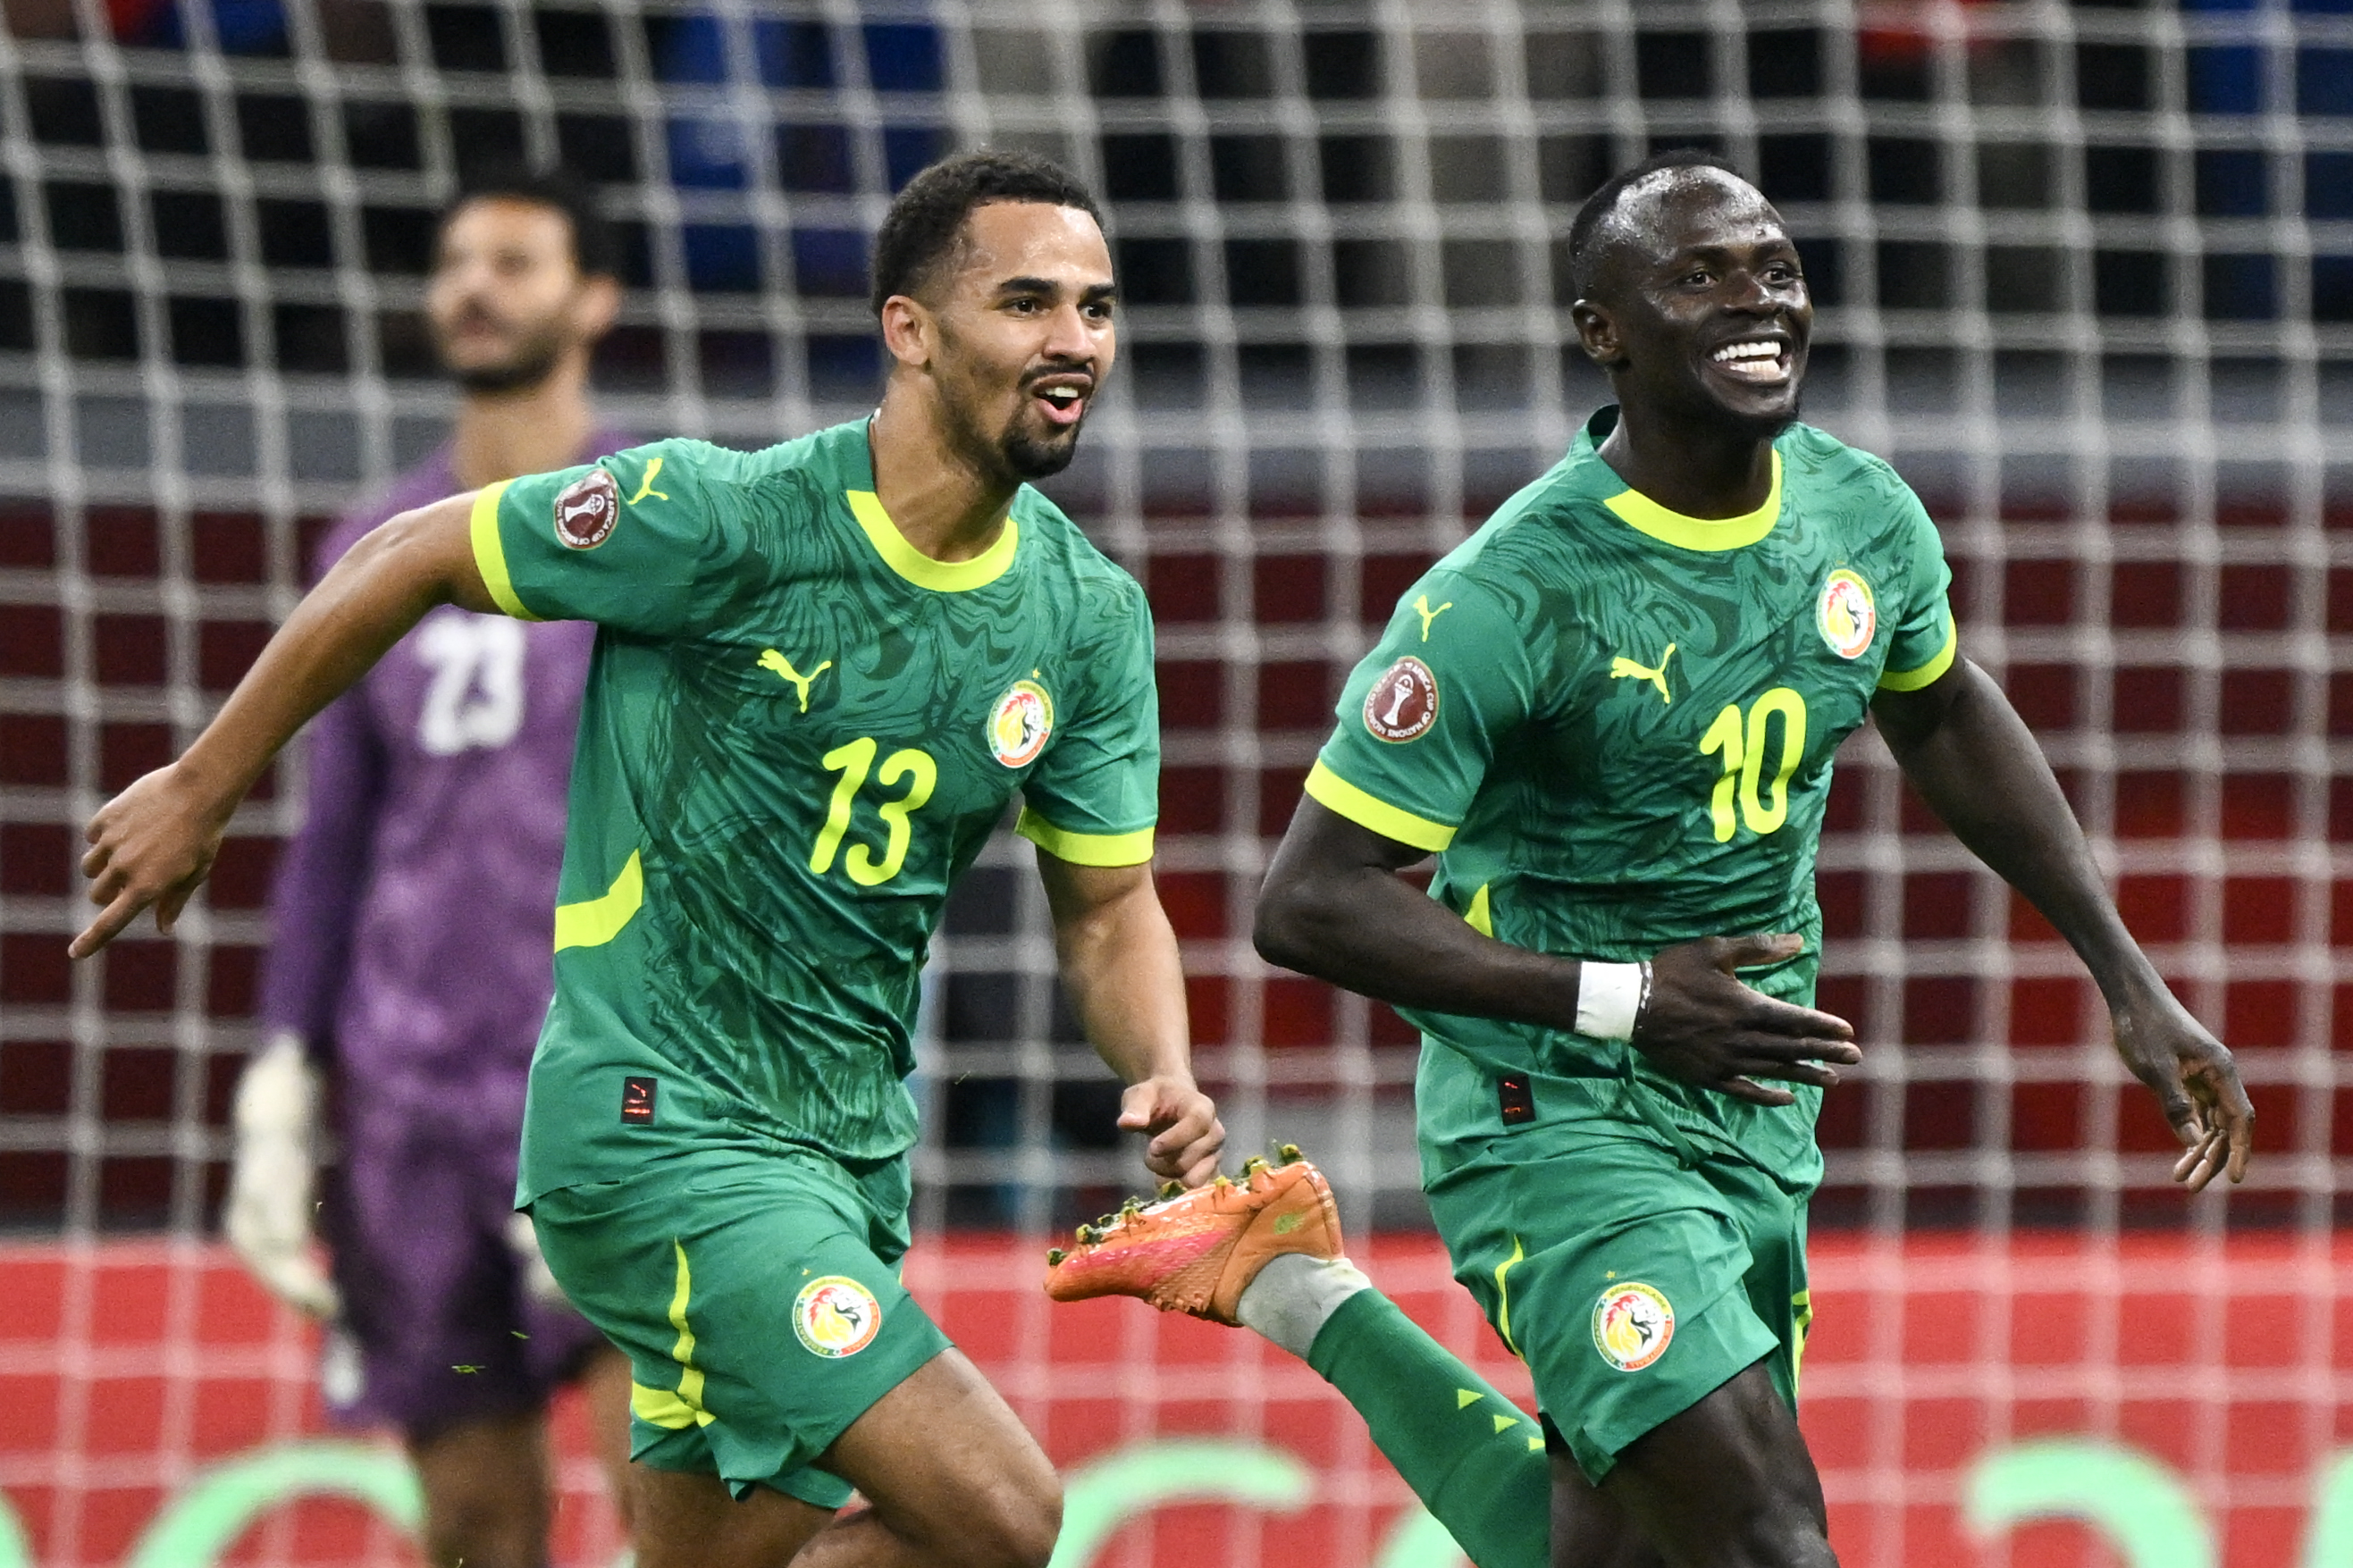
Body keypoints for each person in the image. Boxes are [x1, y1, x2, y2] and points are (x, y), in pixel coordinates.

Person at [1047, 150, 2254, 1568]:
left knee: (1617, 1549)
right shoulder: (1512, 594)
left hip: (1747, 1097)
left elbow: (1935, 705)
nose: (1757, 302)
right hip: (1552, 1109)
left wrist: (2124, 974)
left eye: (1776, 270)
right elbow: (1305, 905)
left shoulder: (1857, 514)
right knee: (1765, 1543)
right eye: (1698, 276)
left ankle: (1292, 1285)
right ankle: (1296, 1285)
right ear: (1600, 333)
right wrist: (1624, 999)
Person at [74, 149, 1224, 1568]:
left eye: (1098, 309)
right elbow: (412, 553)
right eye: (1029, 302)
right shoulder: (721, 518)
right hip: (654, 1130)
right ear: (909, 331)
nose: (1075, 342)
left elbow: (1108, 909)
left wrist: (1157, 1064)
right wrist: (203, 783)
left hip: (845, 1159)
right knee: (1002, 1519)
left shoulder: (1087, 618)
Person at [223, 165, 636, 1568]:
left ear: (593, 300)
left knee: (675, 1489)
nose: (474, 286)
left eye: (515, 262)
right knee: (467, 1518)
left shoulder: (660, 528)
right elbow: (333, 836)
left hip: (615, 1082)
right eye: (457, 261)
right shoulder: (370, 548)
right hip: (411, 1100)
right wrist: (283, 1076)